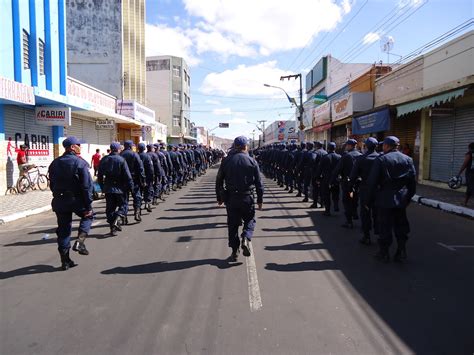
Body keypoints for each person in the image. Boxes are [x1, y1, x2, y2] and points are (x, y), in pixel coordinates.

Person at [367, 136, 417, 262]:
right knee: (401, 226)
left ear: (387, 146)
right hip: (401, 200)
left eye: (383, 145)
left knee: (385, 226)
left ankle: (384, 252)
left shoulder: (381, 160)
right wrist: (408, 198)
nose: (382, 147)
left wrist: (368, 200)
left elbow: (372, 182)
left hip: (384, 199)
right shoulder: (408, 159)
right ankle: (401, 250)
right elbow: (412, 183)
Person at [48, 137, 94, 270]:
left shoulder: (55, 163)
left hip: (60, 200)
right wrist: (88, 204)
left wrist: (58, 195)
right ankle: (80, 242)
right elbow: (86, 186)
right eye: (79, 145)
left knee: (63, 230)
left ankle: (65, 261)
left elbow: (52, 184)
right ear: (73, 147)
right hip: (77, 200)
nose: (80, 147)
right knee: (88, 216)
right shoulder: (80, 163)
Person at [216, 136, 264, 262]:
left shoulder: (226, 161)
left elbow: (219, 181)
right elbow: (259, 183)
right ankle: (246, 237)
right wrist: (260, 200)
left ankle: (234, 252)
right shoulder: (252, 160)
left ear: (235, 146)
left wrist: (219, 198)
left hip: (231, 198)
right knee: (250, 220)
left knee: (232, 225)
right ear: (245, 146)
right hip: (247, 197)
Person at [97, 143, 133, 236]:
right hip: (120, 187)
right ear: (118, 150)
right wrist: (130, 187)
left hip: (108, 187)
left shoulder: (104, 159)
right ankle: (117, 218)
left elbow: (99, 175)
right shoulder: (121, 160)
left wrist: (102, 187)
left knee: (110, 209)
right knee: (123, 205)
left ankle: (112, 228)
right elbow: (128, 176)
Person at [350, 138, 380, 245]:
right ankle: (379, 233)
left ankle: (366, 236)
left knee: (365, 213)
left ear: (365, 146)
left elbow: (353, 175)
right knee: (378, 213)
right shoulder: (381, 158)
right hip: (378, 191)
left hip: (365, 190)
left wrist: (351, 186)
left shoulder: (361, 159)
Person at [332, 139, 362, 228]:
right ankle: (354, 211)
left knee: (347, 201)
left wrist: (334, 179)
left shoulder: (346, 156)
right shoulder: (361, 155)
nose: (346, 147)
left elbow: (338, 169)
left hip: (348, 183)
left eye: (347, 145)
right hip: (357, 182)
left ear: (350, 146)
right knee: (354, 197)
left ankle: (349, 221)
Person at [121, 140, 145, 222]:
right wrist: (142, 179)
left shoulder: (120, 154)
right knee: (137, 197)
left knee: (125, 198)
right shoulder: (135, 154)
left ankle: (124, 215)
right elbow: (140, 168)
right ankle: (137, 213)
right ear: (131, 146)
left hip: (123, 180)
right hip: (134, 180)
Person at [315, 142, 341, 216]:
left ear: (328, 148)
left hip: (326, 179)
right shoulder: (339, 157)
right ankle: (336, 205)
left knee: (326, 195)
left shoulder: (325, 157)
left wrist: (317, 178)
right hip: (335, 179)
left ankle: (327, 210)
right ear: (335, 148)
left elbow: (319, 169)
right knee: (336, 193)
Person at [137, 143, 154, 213]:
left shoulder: (136, 155)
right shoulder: (147, 156)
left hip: (137, 177)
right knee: (147, 190)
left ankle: (139, 206)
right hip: (147, 177)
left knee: (139, 192)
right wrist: (152, 176)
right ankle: (147, 203)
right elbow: (150, 168)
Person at [310, 141, 327, 208]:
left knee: (315, 189)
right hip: (324, 174)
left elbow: (312, 160)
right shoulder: (326, 152)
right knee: (322, 189)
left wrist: (313, 166)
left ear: (317, 145)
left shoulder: (315, 152)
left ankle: (315, 203)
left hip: (316, 173)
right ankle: (322, 204)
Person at [457, 142, 474, 207]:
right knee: (469, 188)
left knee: (471, 188)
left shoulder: (469, 154)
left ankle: (465, 203)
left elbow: (465, 164)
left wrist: (459, 173)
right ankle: (465, 203)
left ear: (470, 148)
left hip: (470, 174)